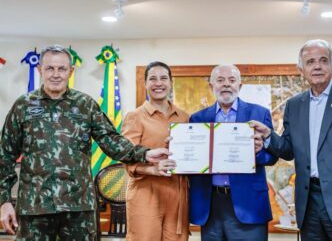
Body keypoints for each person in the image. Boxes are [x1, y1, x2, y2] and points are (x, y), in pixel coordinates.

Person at [0, 45, 170, 240]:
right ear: (40, 70)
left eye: (62, 69)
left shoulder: (85, 105)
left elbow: (110, 140)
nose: (56, 74)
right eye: (50, 68)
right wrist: (4, 201)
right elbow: (4, 156)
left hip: (78, 208)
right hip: (34, 207)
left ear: (71, 71)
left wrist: (144, 154)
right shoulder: (23, 106)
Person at [250, 39, 332, 241]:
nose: (317, 66)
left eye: (323, 60)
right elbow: (288, 150)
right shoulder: (295, 105)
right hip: (308, 202)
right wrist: (269, 135)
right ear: (301, 69)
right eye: (310, 61)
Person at [189, 64, 278, 241]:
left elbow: (273, 156)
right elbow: (193, 160)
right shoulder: (197, 119)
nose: (226, 85)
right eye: (220, 80)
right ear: (211, 86)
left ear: (240, 85)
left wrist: (258, 152)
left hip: (249, 204)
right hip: (211, 205)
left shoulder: (259, 113)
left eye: (232, 80)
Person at [122, 61, 189, 241]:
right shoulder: (134, 117)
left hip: (177, 193)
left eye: (163, 78)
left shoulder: (184, 117)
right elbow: (126, 158)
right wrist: (152, 169)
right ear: (145, 84)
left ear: (170, 83)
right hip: (146, 193)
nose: (158, 83)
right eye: (152, 79)